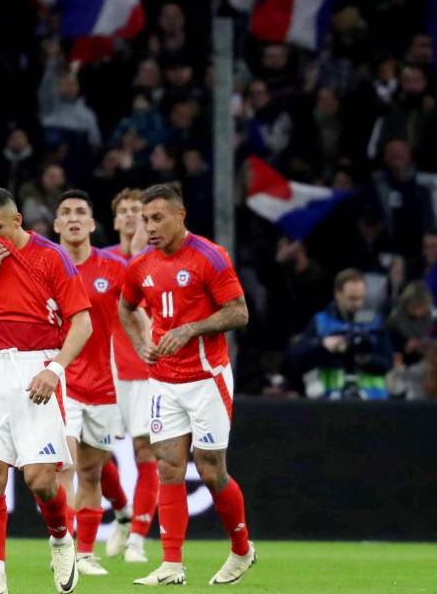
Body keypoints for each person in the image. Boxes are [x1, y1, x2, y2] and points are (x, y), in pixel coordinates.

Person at [0, 187, 93, 594]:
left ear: (17, 221)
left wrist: (55, 370)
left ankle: (61, 538)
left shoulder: (51, 256)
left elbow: (82, 324)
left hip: (39, 366)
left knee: (41, 480)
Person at [118, 183, 255, 586]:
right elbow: (126, 307)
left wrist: (191, 328)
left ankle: (242, 550)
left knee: (211, 470)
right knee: (168, 467)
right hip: (164, 380)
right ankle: (171, 565)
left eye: (157, 218)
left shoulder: (209, 256)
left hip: (207, 378)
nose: (150, 227)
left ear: (180, 216)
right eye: (145, 220)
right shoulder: (140, 265)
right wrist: (141, 343)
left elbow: (239, 313)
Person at [52, 190, 133, 576]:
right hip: (62, 382)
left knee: (91, 472)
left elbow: (137, 311)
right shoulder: (46, 266)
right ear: (56, 224)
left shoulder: (114, 268)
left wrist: (149, 346)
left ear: (91, 223)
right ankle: (65, 547)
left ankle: (85, 553)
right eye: (66, 212)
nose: (73, 217)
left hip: (105, 386)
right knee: (64, 466)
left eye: (80, 212)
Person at [102, 189, 159, 562]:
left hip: (145, 369)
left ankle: (137, 536)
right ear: (114, 220)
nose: (129, 215)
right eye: (123, 210)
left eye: (137, 210)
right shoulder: (101, 260)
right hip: (105, 370)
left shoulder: (156, 262)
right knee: (95, 454)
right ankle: (122, 511)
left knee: (145, 451)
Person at [289, 269, 394, 400]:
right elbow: (296, 357)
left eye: (361, 298)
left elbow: (388, 363)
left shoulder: (375, 322)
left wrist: (366, 360)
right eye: (352, 298)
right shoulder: (321, 322)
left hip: (372, 401)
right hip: (331, 400)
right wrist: (323, 344)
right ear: (338, 295)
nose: (358, 304)